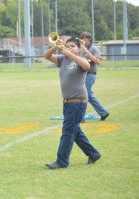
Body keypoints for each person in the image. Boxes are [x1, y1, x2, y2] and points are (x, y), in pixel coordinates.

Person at [44, 37, 101, 169]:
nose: (69, 47)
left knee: (68, 132)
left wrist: (69, 53)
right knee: (75, 132)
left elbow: (87, 66)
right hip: (68, 102)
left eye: (72, 46)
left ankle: (62, 161)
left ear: (79, 48)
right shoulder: (62, 60)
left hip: (78, 102)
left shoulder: (81, 59)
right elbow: (46, 56)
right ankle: (93, 153)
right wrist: (55, 47)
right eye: (67, 45)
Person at [80, 32, 109, 122]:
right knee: (90, 96)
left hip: (90, 75)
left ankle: (81, 117)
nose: (82, 40)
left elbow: (98, 61)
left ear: (89, 39)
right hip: (83, 75)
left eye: (84, 38)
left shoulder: (93, 49)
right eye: (81, 38)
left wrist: (87, 52)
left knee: (84, 95)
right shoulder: (80, 49)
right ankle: (103, 113)